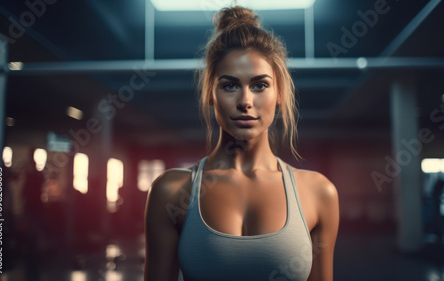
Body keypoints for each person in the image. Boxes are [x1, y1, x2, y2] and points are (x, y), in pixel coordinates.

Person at [144, 6, 339, 281]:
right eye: (230, 85)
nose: (246, 101)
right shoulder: (171, 191)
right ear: (210, 94)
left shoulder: (319, 193)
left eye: (260, 85)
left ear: (279, 93)